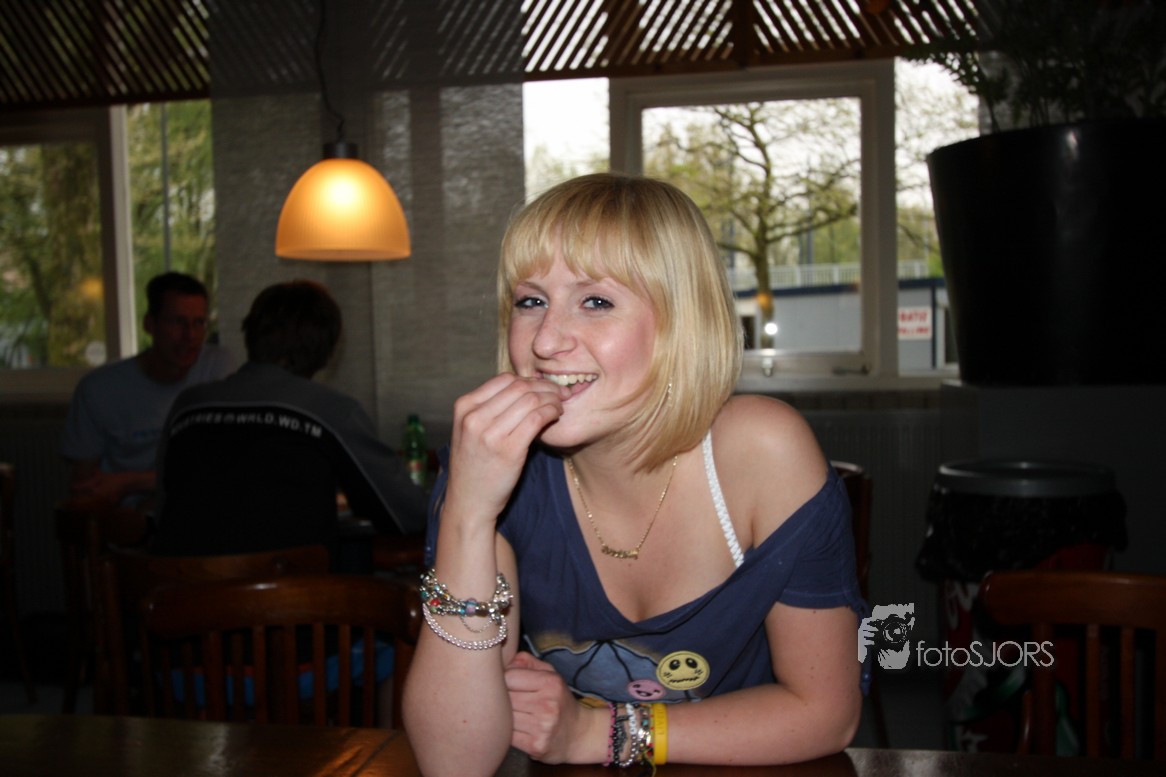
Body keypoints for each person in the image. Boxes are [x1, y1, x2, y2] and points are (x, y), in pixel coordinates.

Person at [403, 173, 869, 774]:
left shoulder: (761, 451)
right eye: (531, 301)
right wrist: (467, 514)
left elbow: (826, 713)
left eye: (595, 302)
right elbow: (455, 763)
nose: (546, 342)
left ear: (681, 322)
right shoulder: (491, 465)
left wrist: (597, 733)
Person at [150, 279, 427, 561]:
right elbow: (406, 515)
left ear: (250, 334)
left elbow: (162, 512)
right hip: (288, 585)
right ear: (327, 351)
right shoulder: (330, 410)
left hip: (176, 584)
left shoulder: (188, 406)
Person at [61, 272, 235, 507]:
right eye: (178, 322)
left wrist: (130, 482)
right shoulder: (99, 390)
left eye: (199, 323)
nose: (190, 336)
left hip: (194, 509)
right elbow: (85, 487)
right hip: (127, 518)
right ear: (149, 325)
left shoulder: (218, 367)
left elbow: (224, 466)